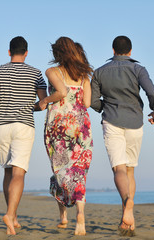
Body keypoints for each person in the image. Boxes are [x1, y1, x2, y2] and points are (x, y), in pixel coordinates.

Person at [91, 36, 154, 234]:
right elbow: (152, 93)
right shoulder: (138, 69)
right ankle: (129, 218)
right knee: (130, 171)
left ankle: (127, 203)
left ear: (113, 50)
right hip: (135, 123)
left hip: (112, 122)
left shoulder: (99, 72)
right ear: (130, 51)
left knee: (118, 169)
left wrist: (106, 107)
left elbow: (93, 101)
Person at [0, 36, 47, 235]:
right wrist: (30, 107)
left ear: (9, 52)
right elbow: (43, 102)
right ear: (26, 52)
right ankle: (10, 215)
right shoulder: (36, 73)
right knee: (19, 173)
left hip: (2, 124)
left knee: (8, 172)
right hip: (23, 125)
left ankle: (13, 215)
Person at [39, 37, 93, 236]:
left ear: (57, 53)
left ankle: (63, 213)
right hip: (81, 125)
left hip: (59, 125)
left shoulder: (52, 72)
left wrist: (45, 100)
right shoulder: (84, 75)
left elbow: (60, 92)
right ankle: (80, 214)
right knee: (78, 171)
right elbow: (86, 102)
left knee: (60, 169)